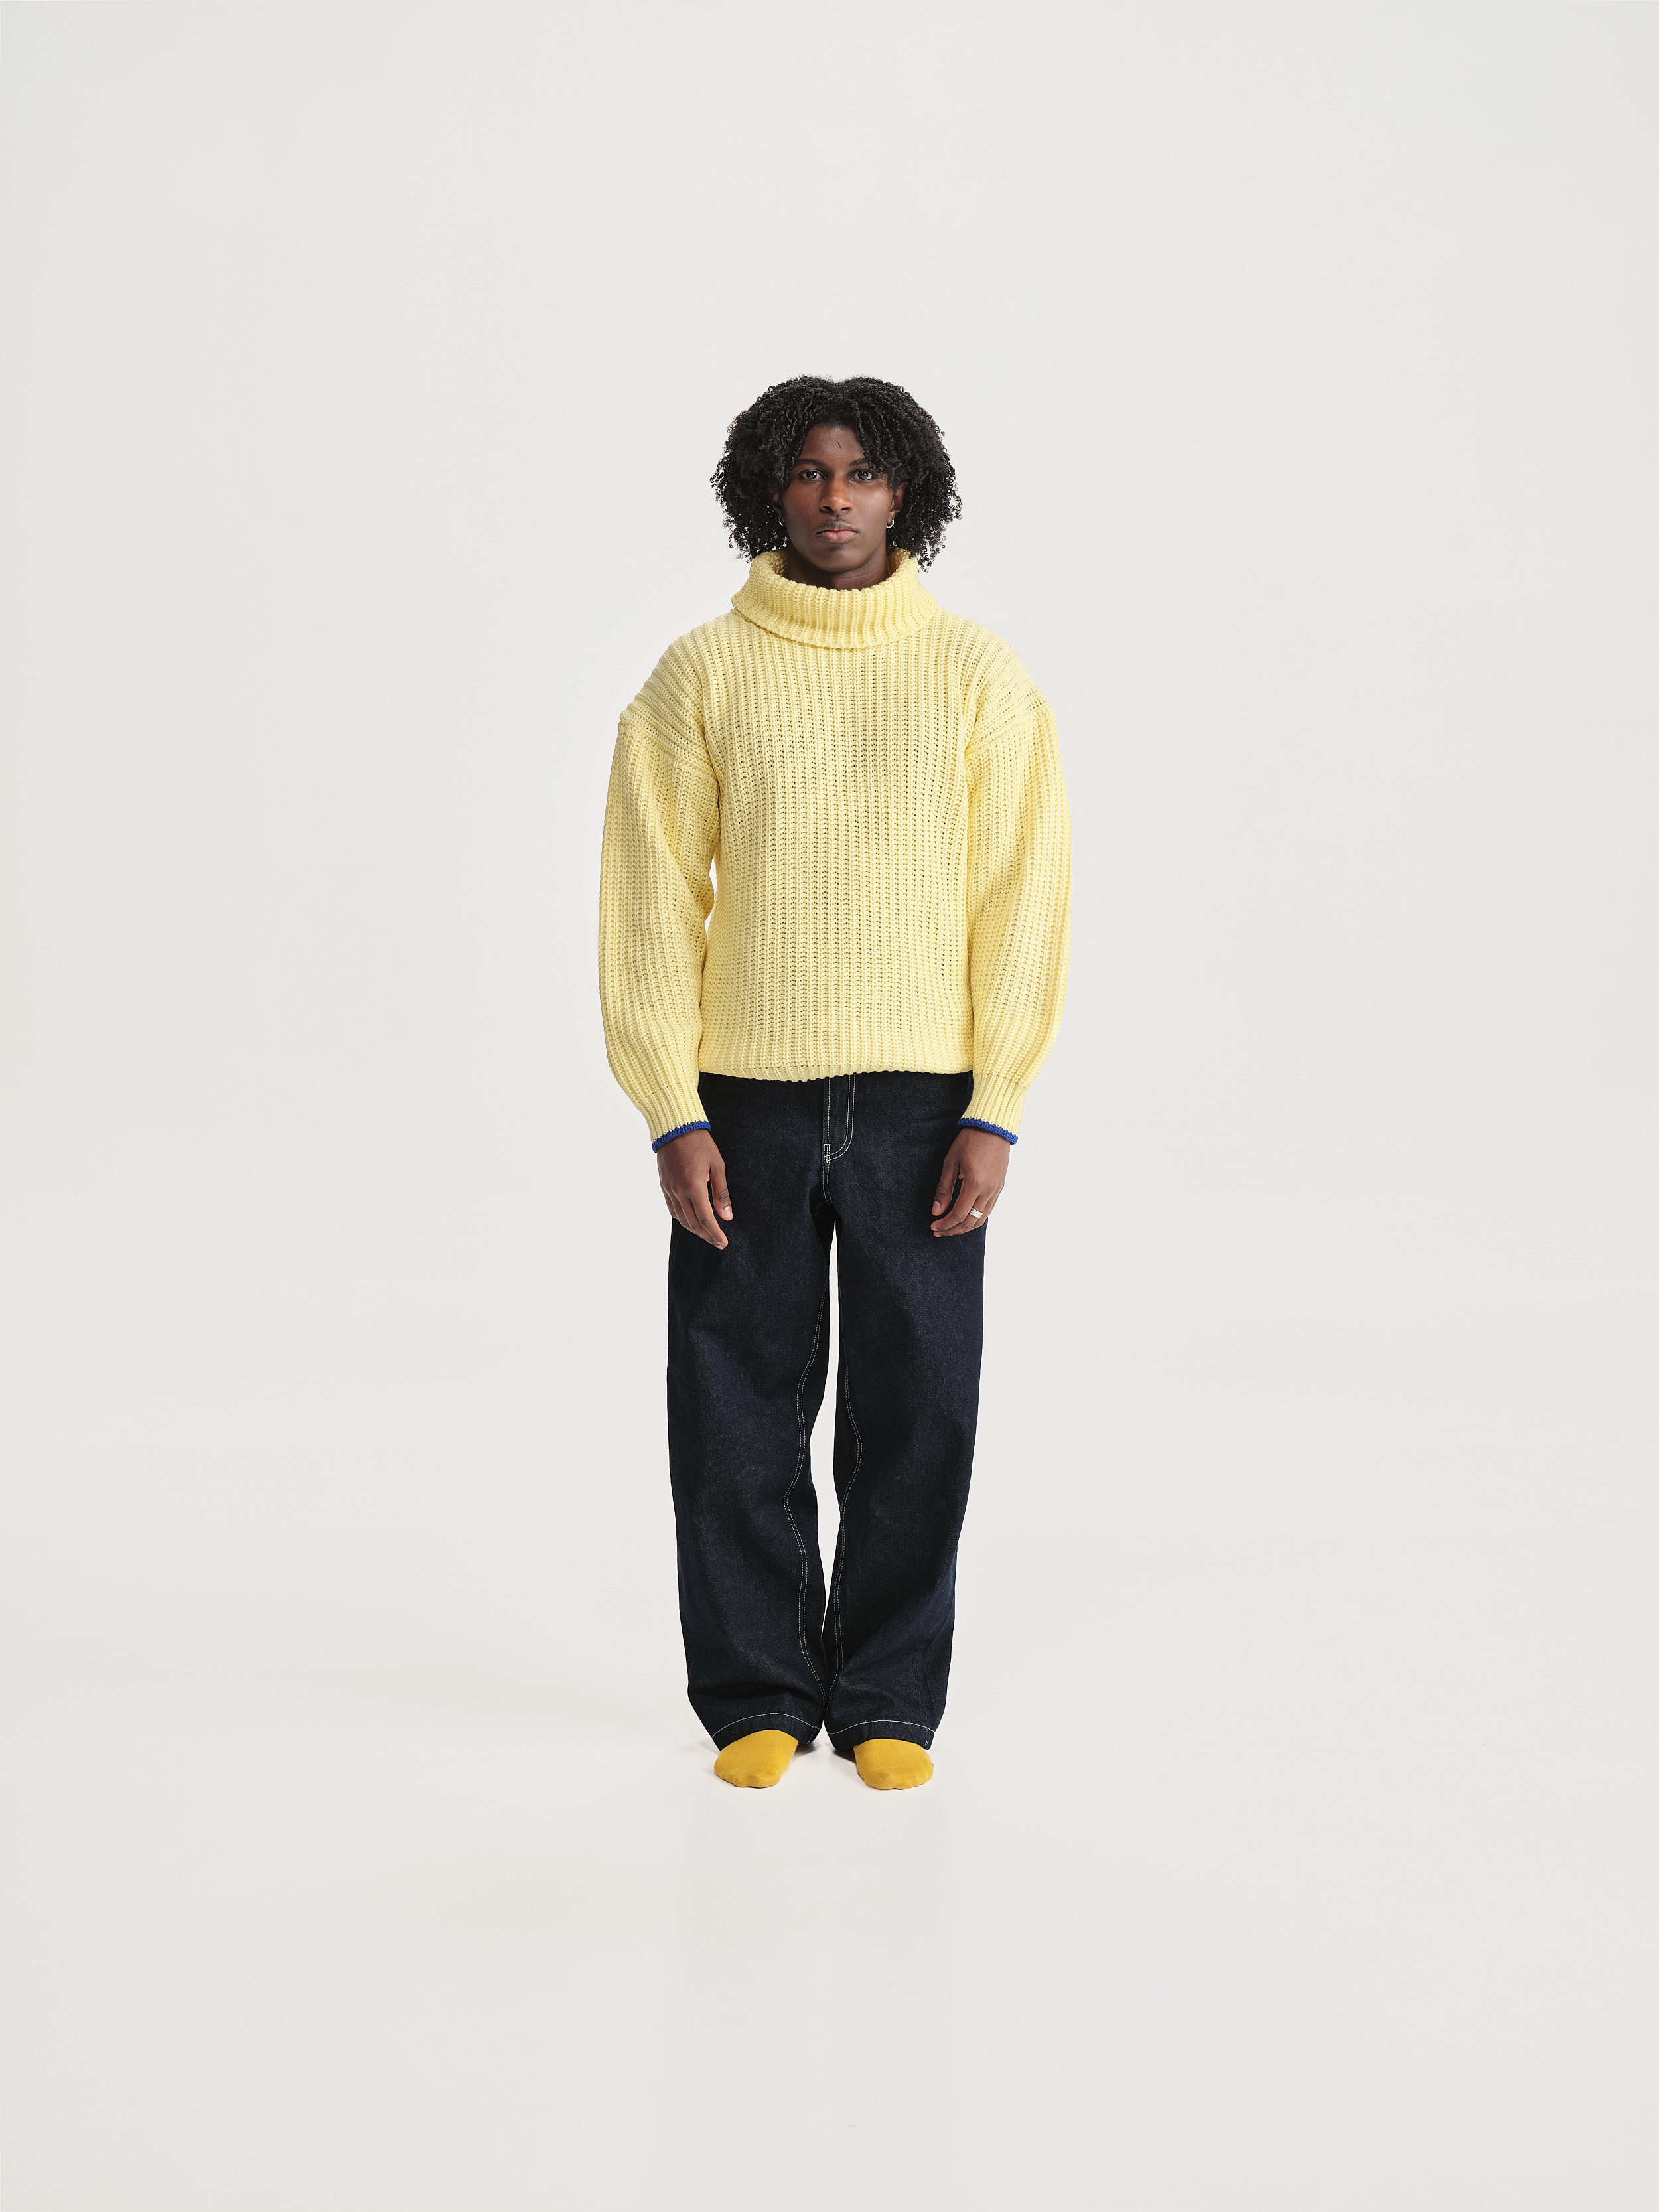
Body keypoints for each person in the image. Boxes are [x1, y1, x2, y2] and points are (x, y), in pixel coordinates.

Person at [597, 375, 1072, 1791]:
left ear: (906, 491)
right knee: (733, 1399)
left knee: (917, 1403)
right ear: (769, 491)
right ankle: (756, 1688)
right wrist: (671, 1106)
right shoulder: (701, 674)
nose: (836, 499)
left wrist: (996, 1102)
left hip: (926, 1100)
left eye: (862, 473)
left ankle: (885, 1694)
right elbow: (648, 898)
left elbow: (1021, 897)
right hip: (743, 1098)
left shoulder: (976, 674)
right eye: (808, 473)